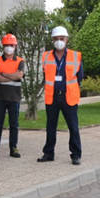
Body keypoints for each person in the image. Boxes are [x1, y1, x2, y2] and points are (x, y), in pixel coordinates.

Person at [38, 26, 84, 165]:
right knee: (50, 126)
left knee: (73, 127)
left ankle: (75, 155)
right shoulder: (46, 56)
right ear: (52, 40)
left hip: (68, 96)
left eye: (62, 39)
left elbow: (80, 77)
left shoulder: (75, 56)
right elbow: (46, 74)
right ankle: (48, 153)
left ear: (67, 39)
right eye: (56, 39)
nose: (59, 41)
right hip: (52, 96)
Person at [0, 34, 23, 158]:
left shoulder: (20, 61)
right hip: (0, 97)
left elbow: (19, 75)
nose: (9, 47)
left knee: (14, 124)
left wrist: (4, 74)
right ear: (3, 46)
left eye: (11, 45)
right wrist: (12, 75)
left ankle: (14, 148)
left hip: (14, 97)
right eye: (7, 45)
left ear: (15, 46)